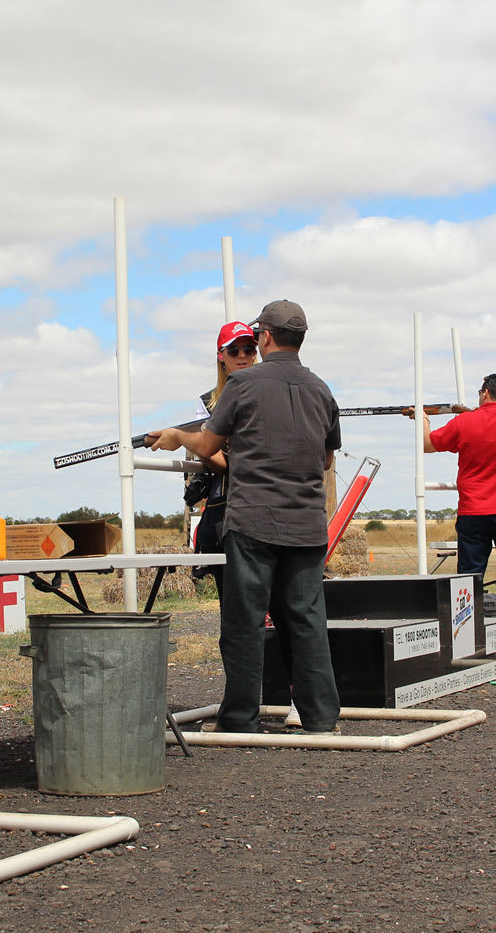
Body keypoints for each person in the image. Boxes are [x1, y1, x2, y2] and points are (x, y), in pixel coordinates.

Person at [147, 300, 341, 733]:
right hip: (308, 524)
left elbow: (208, 443)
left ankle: (239, 719)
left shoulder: (243, 385)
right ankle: (321, 717)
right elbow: (327, 460)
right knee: (307, 621)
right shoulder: (323, 389)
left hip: (253, 522)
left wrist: (179, 436)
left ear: (265, 336)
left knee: (243, 623)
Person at [413, 372, 496, 659]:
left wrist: (422, 418)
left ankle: (465, 647)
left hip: (474, 511)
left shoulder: (464, 423)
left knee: (468, 581)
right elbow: (495, 422)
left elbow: (427, 444)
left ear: (484, 393)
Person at [190, 320, 258, 600]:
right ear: (221, 355)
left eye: (249, 349)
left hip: (261, 504)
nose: (242, 356)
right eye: (234, 350)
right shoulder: (207, 402)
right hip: (225, 504)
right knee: (232, 601)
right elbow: (211, 456)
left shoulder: (266, 393)